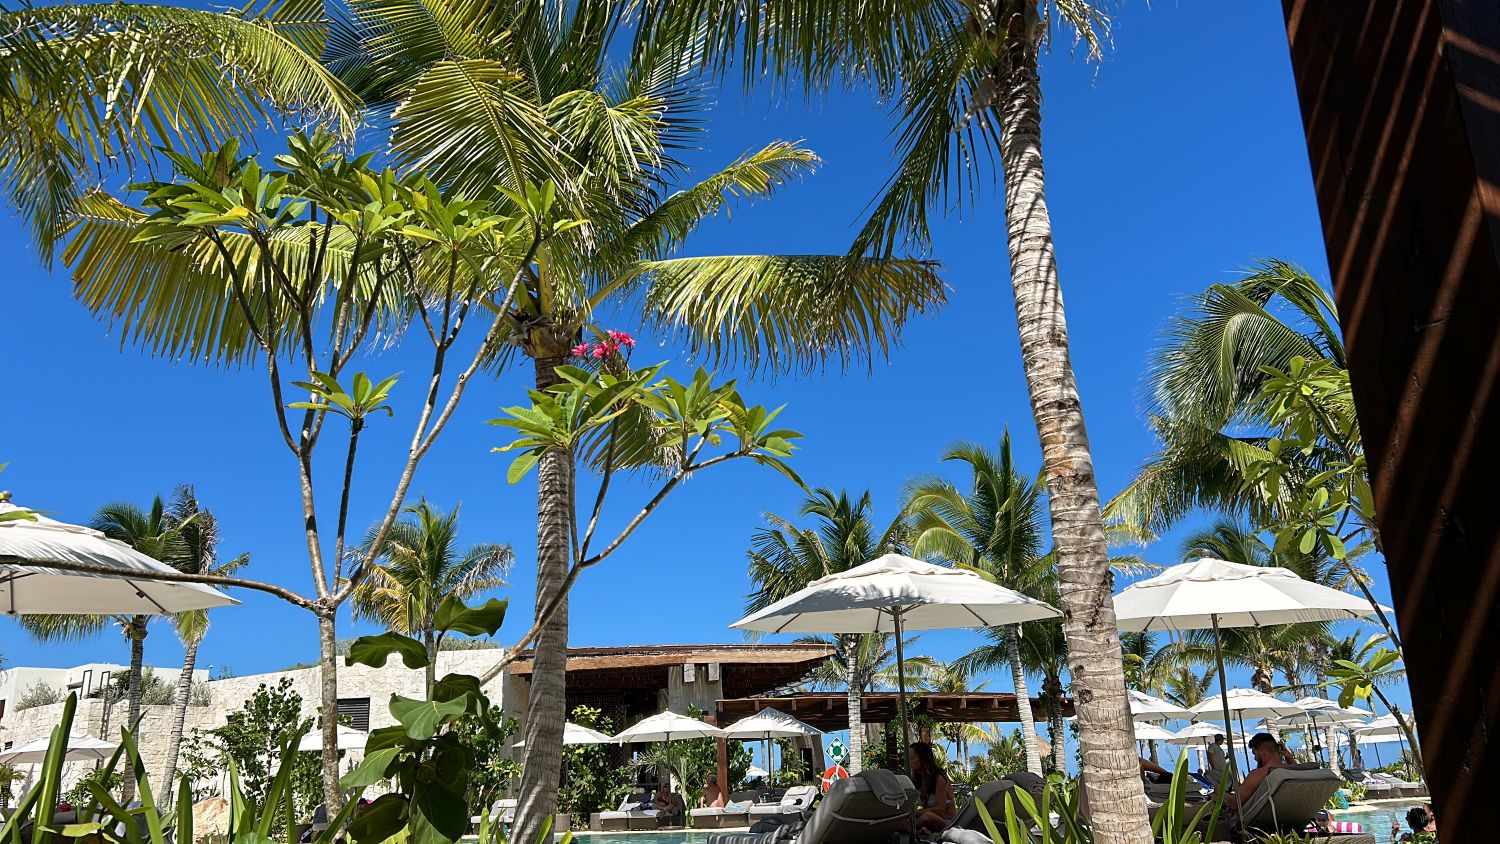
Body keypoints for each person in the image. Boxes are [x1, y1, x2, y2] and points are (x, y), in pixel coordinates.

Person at [1223, 733, 1290, 811]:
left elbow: (1234, 804)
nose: (1255, 758)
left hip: (1261, 820)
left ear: (1263, 752)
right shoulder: (1291, 771)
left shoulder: (1259, 774)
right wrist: (1288, 756)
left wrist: (1220, 793)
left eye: (1255, 754)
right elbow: (1296, 767)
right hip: (1288, 816)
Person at [908, 742, 956, 833]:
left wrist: (915, 814)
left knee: (927, 816)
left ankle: (912, 830)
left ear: (923, 758)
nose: (910, 762)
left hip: (946, 822)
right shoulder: (917, 781)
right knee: (896, 821)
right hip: (926, 820)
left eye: (912, 758)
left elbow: (940, 810)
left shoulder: (939, 778)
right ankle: (917, 831)